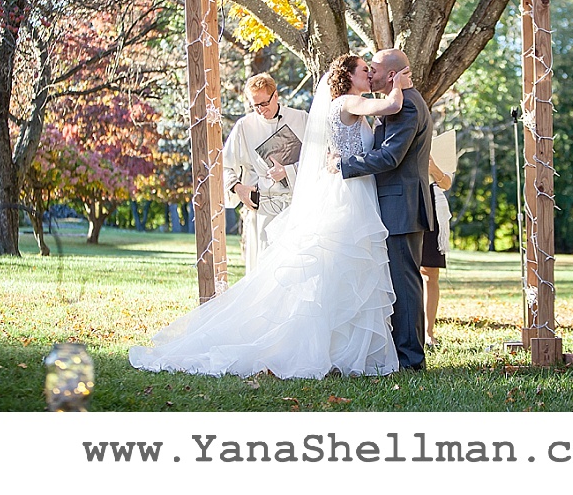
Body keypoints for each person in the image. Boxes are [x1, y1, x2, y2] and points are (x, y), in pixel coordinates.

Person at [129, 58, 410, 379]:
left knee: (345, 269)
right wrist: (399, 80)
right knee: (339, 266)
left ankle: (344, 350)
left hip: (355, 190)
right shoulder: (347, 101)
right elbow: (391, 106)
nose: (370, 75)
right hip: (346, 196)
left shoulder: (343, 106)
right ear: (347, 76)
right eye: (365, 70)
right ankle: (325, 348)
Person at [339, 48, 434, 371]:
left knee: (404, 283)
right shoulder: (394, 102)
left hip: (402, 205)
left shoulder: (405, 106)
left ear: (391, 74)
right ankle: (398, 352)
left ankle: (410, 359)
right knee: (397, 281)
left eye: (375, 68)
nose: (370, 74)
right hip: (393, 204)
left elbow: (391, 157)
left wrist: (342, 166)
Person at [223, 73, 309, 271]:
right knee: (264, 266)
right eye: (255, 106)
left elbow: (318, 160)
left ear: (276, 95)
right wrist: (237, 188)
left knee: (295, 266)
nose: (261, 110)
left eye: (264, 103)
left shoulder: (301, 119)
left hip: (296, 205)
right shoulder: (244, 126)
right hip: (262, 207)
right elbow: (225, 165)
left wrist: (288, 171)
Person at [421, 155, 453, 348]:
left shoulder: (440, 146)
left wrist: (433, 168)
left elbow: (447, 183)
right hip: (405, 202)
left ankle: (428, 332)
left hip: (433, 208)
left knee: (430, 272)